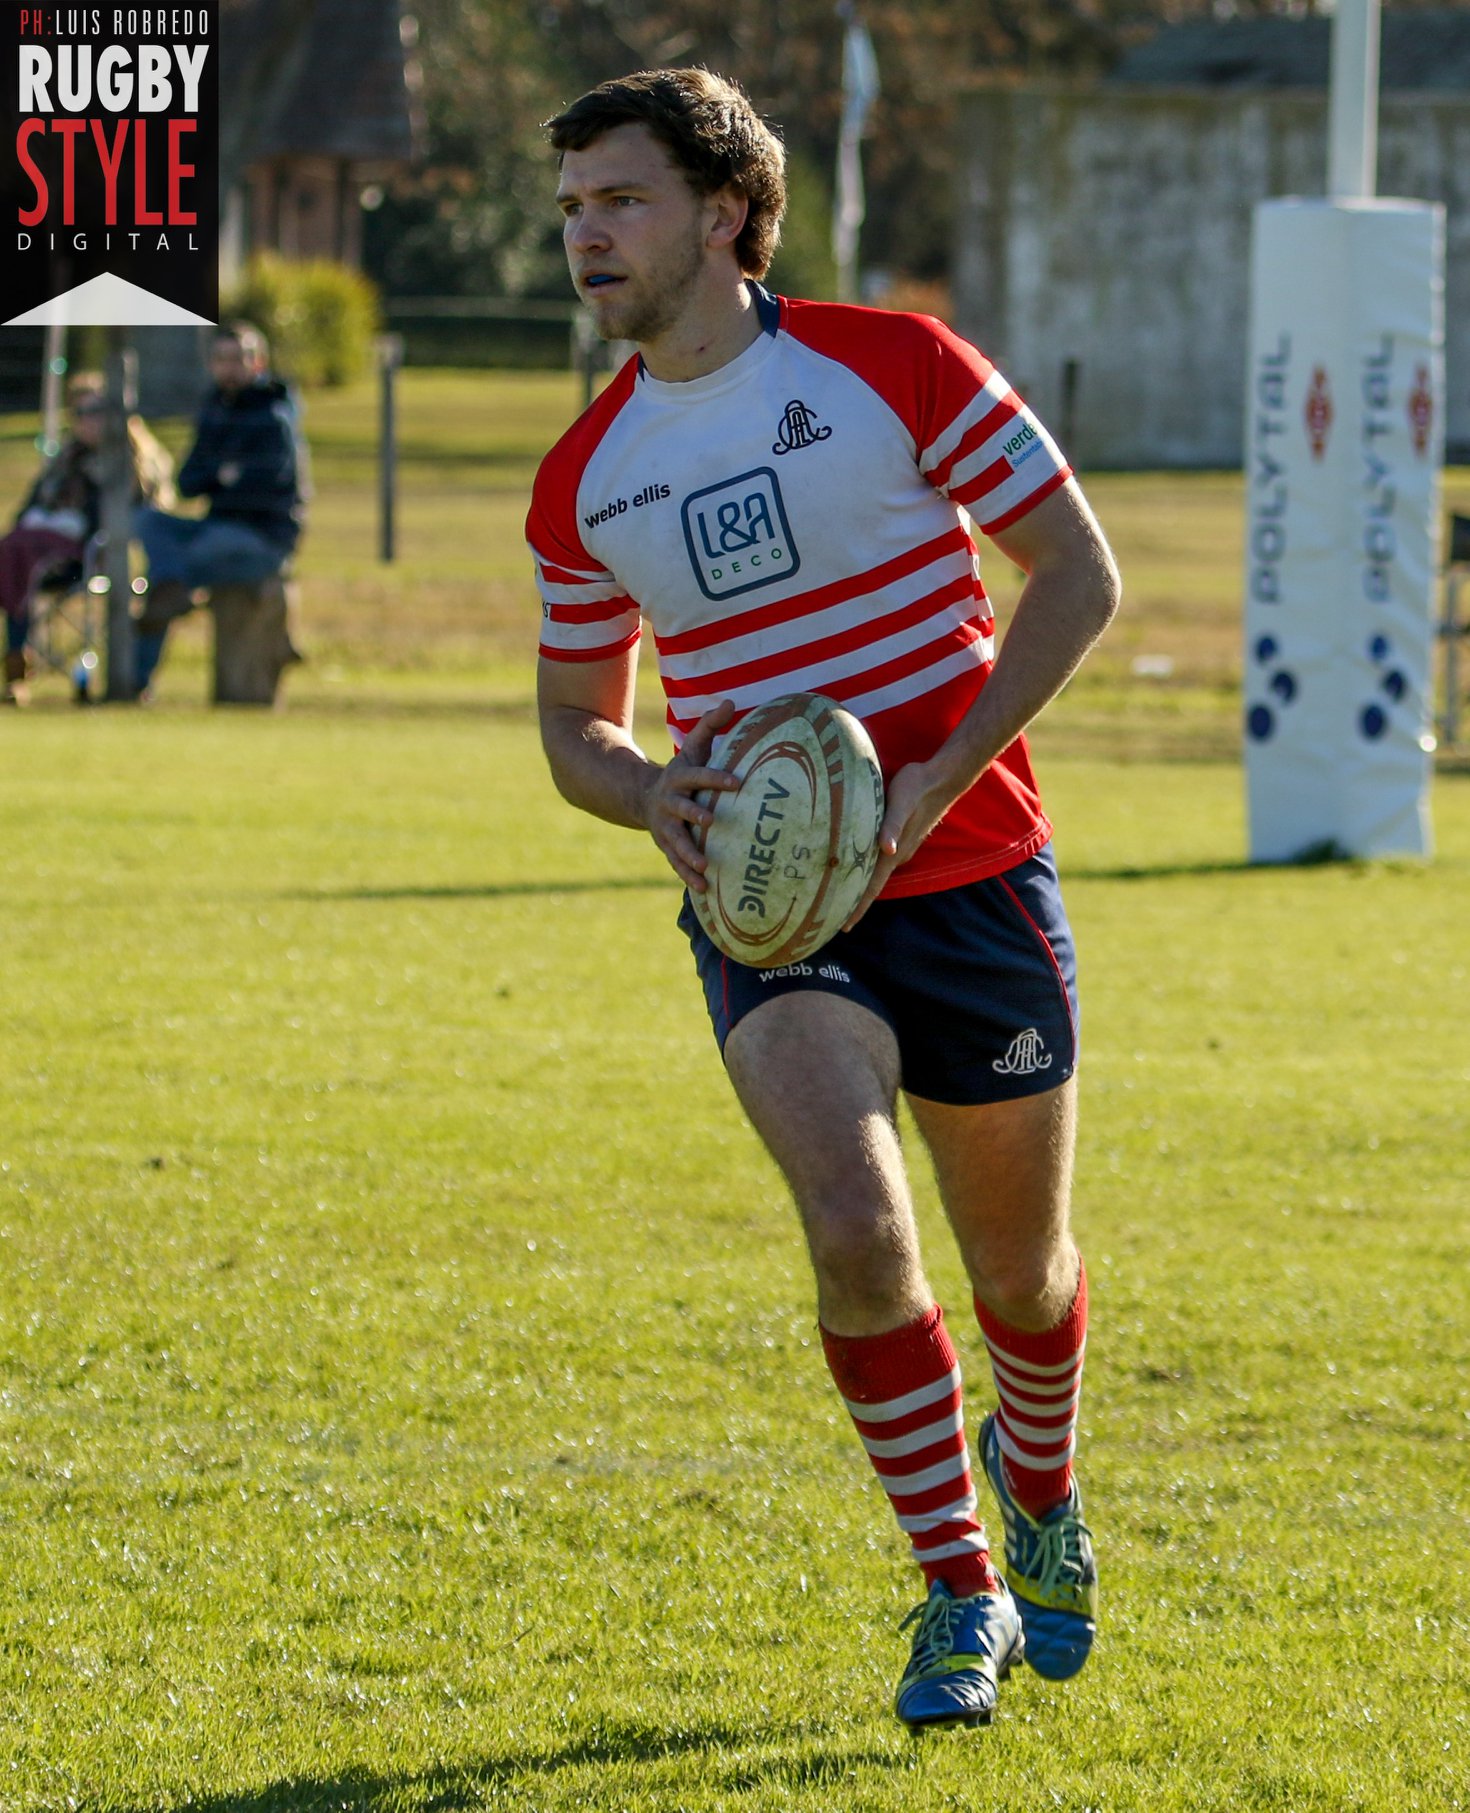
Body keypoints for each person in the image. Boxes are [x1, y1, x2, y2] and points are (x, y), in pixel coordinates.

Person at [528, 69, 1121, 1732]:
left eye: (620, 200)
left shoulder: (895, 363)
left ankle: (1041, 1486)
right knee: (860, 1234)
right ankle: (959, 1584)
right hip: (772, 909)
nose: (586, 235)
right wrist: (651, 792)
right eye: (571, 209)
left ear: (726, 213)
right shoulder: (582, 478)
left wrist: (940, 776)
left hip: (973, 871)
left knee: (1021, 1275)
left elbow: (1077, 575)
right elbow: (574, 724)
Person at [133, 321, 307, 698]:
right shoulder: (214, 410)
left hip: (262, 540)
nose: (229, 368)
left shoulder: (274, 414)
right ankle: (137, 677)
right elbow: (187, 482)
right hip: (215, 527)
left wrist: (221, 476)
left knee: (170, 573)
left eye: (237, 359)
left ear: (258, 363)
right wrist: (224, 474)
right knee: (147, 523)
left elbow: (267, 482)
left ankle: (137, 678)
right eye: (221, 359)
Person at [2, 374, 174, 706]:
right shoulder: (65, 459)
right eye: (79, 413)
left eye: (95, 411)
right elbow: (29, 507)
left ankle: (17, 659)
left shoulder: (132, 461)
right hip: (34, 547)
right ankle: (16, 659)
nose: (86, 421)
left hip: (87, 553)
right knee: (14, 552)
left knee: (16, 556)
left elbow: (142, 513)